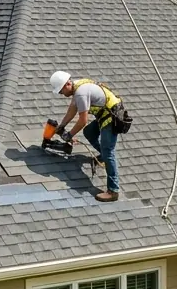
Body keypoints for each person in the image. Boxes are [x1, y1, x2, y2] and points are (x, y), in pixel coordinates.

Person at [49, 70, 122, 202]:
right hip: (105, 115)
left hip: (112, 117)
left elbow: (83, 121)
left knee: (108, 151)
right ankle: (103, 157)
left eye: (61, 91)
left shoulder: (80, 93)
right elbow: (72, 109)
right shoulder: (77, 87)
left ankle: (113, 191)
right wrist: (62, 126)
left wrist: (69, 135)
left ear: (67, 84)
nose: (62, 94)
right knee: (89, 132)